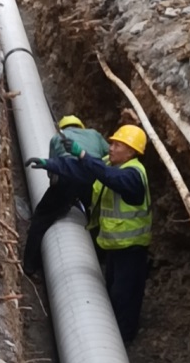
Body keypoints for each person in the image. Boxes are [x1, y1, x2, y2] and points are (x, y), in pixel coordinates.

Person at [29, 124, 152, 343]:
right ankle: (110, 335)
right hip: (113, 246)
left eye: (117, 145)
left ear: (131, 152)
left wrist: (84, 154)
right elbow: (79, 169)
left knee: (125, 298)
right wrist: (50, 163)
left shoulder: (133, 175)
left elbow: (109, 177)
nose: (111, 148)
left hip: (131, 249)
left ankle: (122, 343)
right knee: (113, 292)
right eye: (111, 143)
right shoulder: (109, 163)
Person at [21, 114, 110, 278]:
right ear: (81, 126)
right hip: (93, 177)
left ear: (63, 128)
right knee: (95, 218)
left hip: (68, 175)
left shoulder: (57, 138)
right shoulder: (95, 134)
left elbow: (53, 169)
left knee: (41, 219)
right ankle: (100, 257)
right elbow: (109, 156)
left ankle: (29, 266)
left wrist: (58, 196)